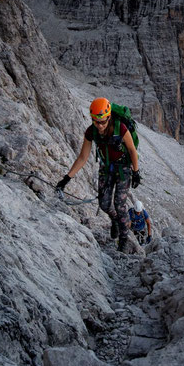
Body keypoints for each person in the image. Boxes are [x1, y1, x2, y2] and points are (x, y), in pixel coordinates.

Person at [56, 98, 142, 251]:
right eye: (96, 121)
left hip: (123, 169)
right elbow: (83, 157)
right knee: (103, 203)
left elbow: (132, 150)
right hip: (106, 168)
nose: (100, 125)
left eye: (103, 121)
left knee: (120, 204)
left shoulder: (120, 128)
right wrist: (66, 178)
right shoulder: (91, 132)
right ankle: (114, 219)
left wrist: (136, 172)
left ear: (109, 117)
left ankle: (123, 239)